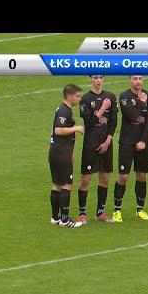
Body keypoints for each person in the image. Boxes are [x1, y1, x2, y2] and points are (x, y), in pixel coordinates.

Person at [112, 75, 148, 222]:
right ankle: (117, 210)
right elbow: (132, 116)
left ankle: (140, 209)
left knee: (142, 175)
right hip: (126, 142)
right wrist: (141, 102)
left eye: (140, 78)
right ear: (129, 80)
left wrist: (143, 140)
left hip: (142, 142)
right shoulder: (124, 97)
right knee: (124, 176)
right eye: (135, 78)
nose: (138, 81)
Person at [77, 75, 117, 223]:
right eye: (95, 77)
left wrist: (108, 141)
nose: (98, 80)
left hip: (106, 143)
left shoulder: (111, 97)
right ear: (90, 80)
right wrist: (102, 109)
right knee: (86, 179)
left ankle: (100, 213)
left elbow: (113, 122)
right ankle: (82, 213)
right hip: (91, 144)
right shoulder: (85, 99)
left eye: (101, 77)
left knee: (105, 177)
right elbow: (88, 122)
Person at [49, 84, 84, 228]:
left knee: (57, 184)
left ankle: (55, 217)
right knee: (67, 185)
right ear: (69, 96)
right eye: (77, 96)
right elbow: (58, 130)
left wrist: (71, 153)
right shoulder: (64, 111)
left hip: (57, 152)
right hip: (61, 153)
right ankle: (64, 220)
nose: (79, 99)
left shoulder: (63, 109)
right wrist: (76, 128)